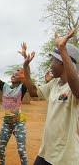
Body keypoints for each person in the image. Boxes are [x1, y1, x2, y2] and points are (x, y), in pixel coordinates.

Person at [22, 29, 79, 165]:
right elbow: (33, 92)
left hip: (64, 158)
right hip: (46, 151)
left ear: (62, 62)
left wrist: (62, 49)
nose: (50, 65)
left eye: (53, 60)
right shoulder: (54, 83)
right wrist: (26, 68)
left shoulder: (74, 86)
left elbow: (77, 90)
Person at [0, 45, 29, 165]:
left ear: (21, 78)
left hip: (19, 121)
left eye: (16, 74)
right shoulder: (4, 86)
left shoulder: (23, 87)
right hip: (7, 121)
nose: (13, 75)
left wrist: (26, 58)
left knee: (21, 151)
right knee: (0, 149)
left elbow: (27, 75)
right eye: (12, 74)